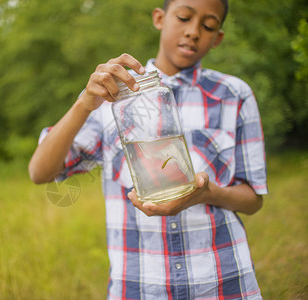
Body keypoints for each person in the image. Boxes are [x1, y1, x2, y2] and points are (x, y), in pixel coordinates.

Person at [29, 0, 268, 298]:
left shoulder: (233, 95)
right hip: (141, 286)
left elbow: (253, 199)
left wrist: (208, 194)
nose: (193, 32)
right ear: (159, 18)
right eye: (183, 17)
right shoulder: (112, 96)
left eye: (207, 26)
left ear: (218, 37)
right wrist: (84, 104)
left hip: (222, 282)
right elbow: (40, 172)